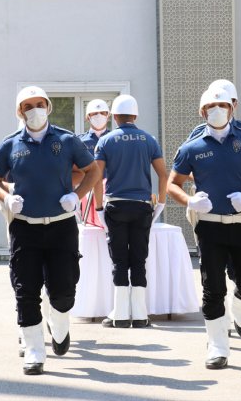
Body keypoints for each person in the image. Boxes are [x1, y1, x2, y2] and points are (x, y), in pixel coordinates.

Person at [0, 85, 100, 375]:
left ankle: (59, 322)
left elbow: (93, 171)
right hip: (25, 229)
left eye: (39, 104)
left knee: (64, 290)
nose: (34, 110)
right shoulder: (9, 145)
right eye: (28, 106)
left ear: (48, 107)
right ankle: (35, 351)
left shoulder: (66, 139)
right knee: (26, 290)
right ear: (20, 112)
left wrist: (77, 195)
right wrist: (6, 197)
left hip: (61, 227)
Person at [167, 87, 241, 369]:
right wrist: (190, 201)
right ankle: (217, 346)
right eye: (211, 106)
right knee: (212, 286)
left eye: (223, 105)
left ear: (232, 108)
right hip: (210, 227)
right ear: (202, 112)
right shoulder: (191, 147)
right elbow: (172, 184)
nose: (217, 110)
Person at [94, 94, 168, 328]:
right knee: (139, 258)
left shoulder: (105, 142)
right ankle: (140, 314)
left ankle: (120, 315)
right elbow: (164, 175)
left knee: (119, 260)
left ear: (114, 116)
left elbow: (96, 177)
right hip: (142, 206)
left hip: (116, 205)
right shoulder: (149, 140)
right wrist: (162, 202)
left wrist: (97, 207)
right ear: (135, 115)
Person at [75, 99, 111, 225]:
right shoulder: (79, 141)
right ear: (87, 117)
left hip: (111, 194)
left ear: (108, 116)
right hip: (86, 195)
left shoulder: (114, 139)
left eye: (103, 113)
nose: (99, 116)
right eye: (95, 113)